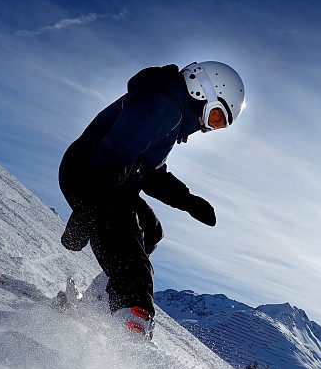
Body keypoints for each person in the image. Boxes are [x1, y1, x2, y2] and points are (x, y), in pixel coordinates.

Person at [58, 61, 245, 339]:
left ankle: (99, 300)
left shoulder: (170, 115)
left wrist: (189, 201)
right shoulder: (163, 106)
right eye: (216, 117)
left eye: (218, 126)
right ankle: (132, 324)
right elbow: (117, 151)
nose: (209, 127)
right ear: (202, 87)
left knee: (150, 229)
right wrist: (87, 210)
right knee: (132, 261)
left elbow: (150, 173)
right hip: (92, 174)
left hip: (113, 181)